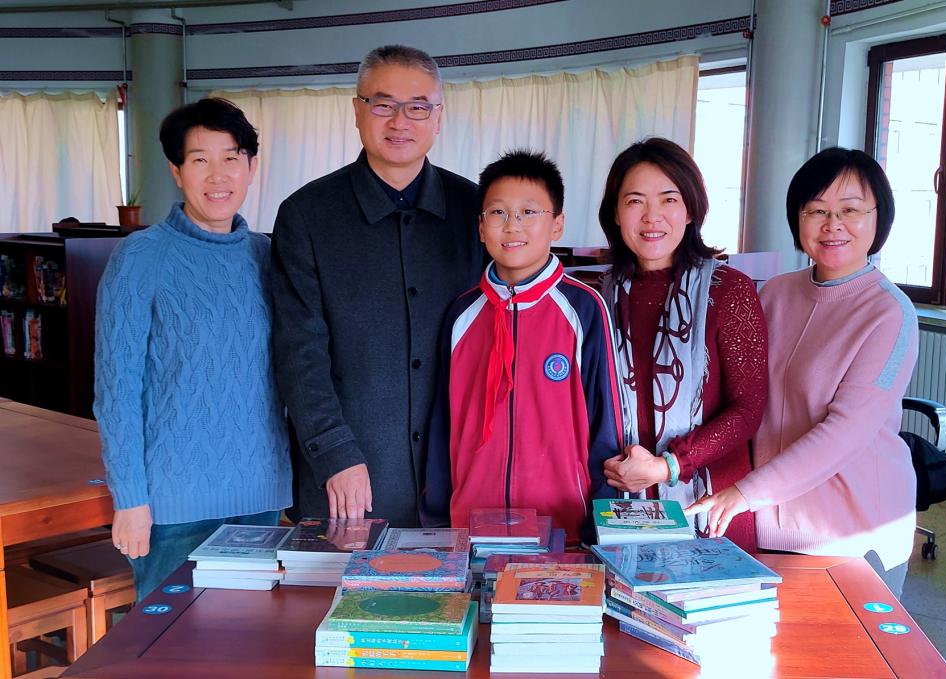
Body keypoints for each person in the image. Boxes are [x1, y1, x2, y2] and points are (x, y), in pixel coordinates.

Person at [687, 147, 918, 598]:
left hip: (851, 533)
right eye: (817, 211)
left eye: (850, 210)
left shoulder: (890, 313)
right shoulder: (775, 293)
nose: (833, 225)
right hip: (764, 522)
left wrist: (746, 493)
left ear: (879, 218)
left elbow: (845, 433)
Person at [271, 45, 485, 527]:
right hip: (347, 479)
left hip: (460, 476)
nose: (400, 121)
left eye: (418, 107)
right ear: (357, 110)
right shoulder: (307, 215)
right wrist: (334, 452)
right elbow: (298, 351)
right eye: (383, 104)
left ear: (438, 118)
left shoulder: (476, 210)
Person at [94, 97, 292, 600]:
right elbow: (117, 390)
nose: (218, 175)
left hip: (261, 495)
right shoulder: (140, 256)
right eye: (200, 159)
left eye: (231, 158)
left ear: (251, 167)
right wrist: (130, 499)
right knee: (168, 640)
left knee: (254, 637)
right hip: (170, 506)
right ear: (176, 171)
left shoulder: (270, 256)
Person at [422, 150, 623, 543]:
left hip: (563, 529)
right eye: (498, 212)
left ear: (557, 224)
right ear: (481, 228)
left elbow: (606, 425)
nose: (512, 225)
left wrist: (600, 525)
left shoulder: (584, 308)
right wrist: (438, 518)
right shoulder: (462, 314)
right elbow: (443, 422)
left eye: (529, 212)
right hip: (469, 528)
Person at [599, 138, 767, 554]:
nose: (651, 216)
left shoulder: (728, 290)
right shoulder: (599, 296)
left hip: (709, 507)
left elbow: (748, 408)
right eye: (635, 201)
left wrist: (667, 466)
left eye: (668, 199)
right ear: (616, 213)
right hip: (619, 502)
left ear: (690, 209)